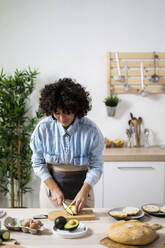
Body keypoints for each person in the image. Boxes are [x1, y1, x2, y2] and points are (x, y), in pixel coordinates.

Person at [30, 78, 104, 212]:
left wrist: (84, 191)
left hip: (82, 196)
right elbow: (38, 163)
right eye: (57, 113)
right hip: (51, 196)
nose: (62, 118)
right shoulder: (43, 129)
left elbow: (96, 166)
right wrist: (53, 188)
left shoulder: (91, 131)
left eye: (67, 112)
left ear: (76, 109)